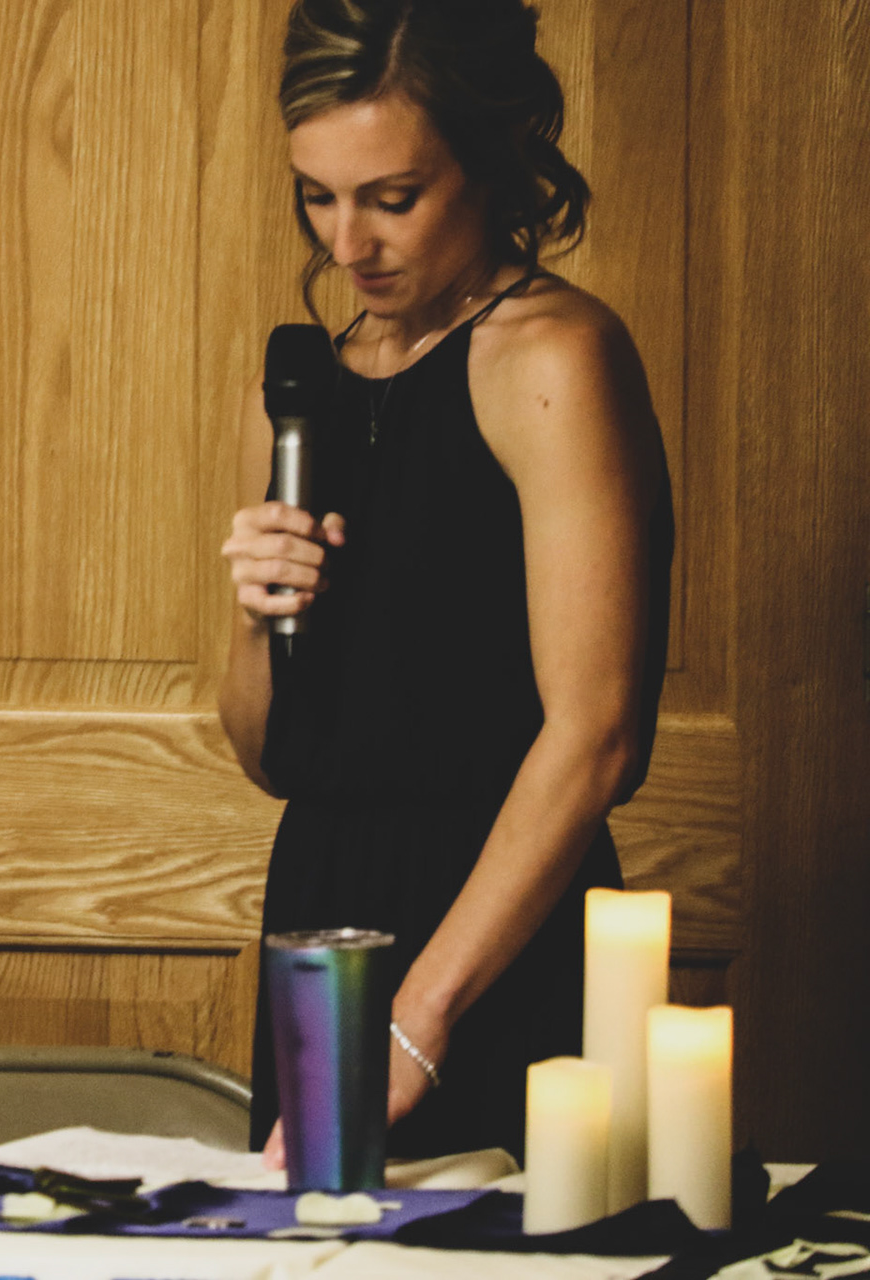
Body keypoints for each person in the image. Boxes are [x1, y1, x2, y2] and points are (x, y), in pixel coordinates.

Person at [218, 0, 673, 1161]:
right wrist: (257, 614)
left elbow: (598, 736)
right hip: (321, 915)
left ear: (490, 156)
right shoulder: (303, 388)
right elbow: (272, 755)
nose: (347, 243)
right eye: (317, 196)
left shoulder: (555, 355)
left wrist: (419, 1014)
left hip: (497, 929)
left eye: (392, 197)